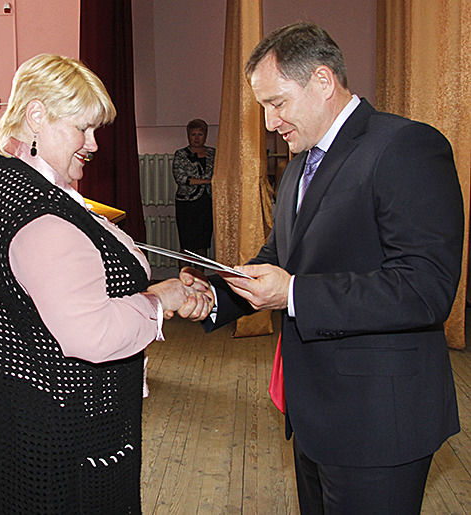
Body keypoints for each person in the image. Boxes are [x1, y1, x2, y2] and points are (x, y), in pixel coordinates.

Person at [182, 22, 464, 515]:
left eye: (277, 103)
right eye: (263, 106)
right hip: (316, 415)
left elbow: (425, 288)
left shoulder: (406, 146)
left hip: (380, 422)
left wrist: (293, 294)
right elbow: (280, 258)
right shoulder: (300, 163)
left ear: (322, 81)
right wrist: (213, 298)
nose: (269, 122)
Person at [0, 54, 214, 515]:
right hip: (60, 433)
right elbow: (92, 334)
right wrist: (158, 300)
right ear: (37, 115)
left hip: (14, 413)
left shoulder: (6, 176)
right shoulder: (38, 213)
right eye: (83, 128)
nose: (93, 144)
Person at [172, 118, 215, 259]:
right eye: (193, 134)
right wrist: (207, 181)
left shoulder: (213, 153)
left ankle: (200, 273)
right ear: (188, 135)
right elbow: (180, 178)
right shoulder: (180, 154)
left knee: (203, 244)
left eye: (200, 134)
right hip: (187, 205)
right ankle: (184, 273)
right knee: (186, 245)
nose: (196, 138)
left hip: (206, 203)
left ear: (205, 135)